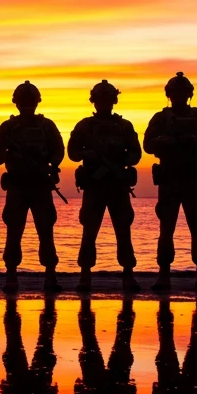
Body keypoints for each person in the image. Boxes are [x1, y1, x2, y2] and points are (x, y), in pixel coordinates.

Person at [143, 72, 197, 292]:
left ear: (189, 94)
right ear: (169, 94)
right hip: (169, 179)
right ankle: (163, 276)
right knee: (166, 229)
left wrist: (195, 140)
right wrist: (163, 140)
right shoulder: (160, 118)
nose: (178, 96)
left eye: (182, 92)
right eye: (175, 92)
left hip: (193, 179)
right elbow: (147, 145)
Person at [0, 81, 64, 293]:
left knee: (45, 232)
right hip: (18, 186)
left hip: (40, 185)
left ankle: (50, 276)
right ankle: (11, 276)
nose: (27, 104)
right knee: (14, 232)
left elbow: (59, 152)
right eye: (25, 101)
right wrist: (12, 154)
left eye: (29, 101)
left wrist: (47, 163)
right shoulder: (9, 127)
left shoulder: (46, 126)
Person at [68, 80, 141, 292]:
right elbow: (72, 152)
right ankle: (85, 275)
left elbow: (136, 153)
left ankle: (128, 274)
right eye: (100, 100)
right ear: (94, 102)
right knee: (89, 230)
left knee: (123, 230)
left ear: (114, 101)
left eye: (108, 100)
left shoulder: (124, 126)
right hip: (95, 185)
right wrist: (87, 154)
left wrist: (124, 161)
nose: (104, 104)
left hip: (117, 185)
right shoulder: (85, 126)